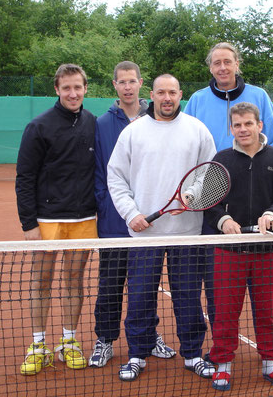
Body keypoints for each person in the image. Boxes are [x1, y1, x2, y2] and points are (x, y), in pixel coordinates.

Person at [184, 41, 273, 371]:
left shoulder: (259, 96)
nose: (222, 67)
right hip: (214, 202)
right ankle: (222, 351)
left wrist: (271, 204)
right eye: (216, 63)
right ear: (210, 67)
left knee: (265, 293)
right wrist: (201, 197)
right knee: (220, 284)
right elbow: (184, 139)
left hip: (258, 204)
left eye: (227, 62)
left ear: (237, 64)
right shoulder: (198, 100)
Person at [107, 74, 216, 382]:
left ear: (180, 94)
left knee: (189, 297)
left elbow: (209, 175)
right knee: (140, 297)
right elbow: (115, 177)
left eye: (172, 92)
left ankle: (193, 353)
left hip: (188, 233)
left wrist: (194, 198)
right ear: (151, 95)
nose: (167, 97)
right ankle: (137, 355)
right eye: (161, 92)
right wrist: (131, 214)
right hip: (144, 234)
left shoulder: (197, 130)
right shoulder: (133, 132)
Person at [205, 102, 273, 391]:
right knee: (225, 310)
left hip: (268, 250)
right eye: (237, 125)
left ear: (260, 125)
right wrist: (224, 221)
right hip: (229, 250)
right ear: (231, 128)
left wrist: (272, 214)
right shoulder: (221, 160)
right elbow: (210, 203)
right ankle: (222, 364)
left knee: (267, 309)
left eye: (248, 123)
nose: (243, 129)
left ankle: (271, 361)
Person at [89, 61, 175, 368]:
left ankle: (148, 336)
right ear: (114, 85)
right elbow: (102, 173)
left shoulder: (159, 119)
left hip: (148, 223)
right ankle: (105, 339)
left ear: (141, 84)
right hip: (114, 220)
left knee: (145, 284)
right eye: (121, 82)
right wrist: (111, 208)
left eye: (132, 81)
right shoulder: (101, 124)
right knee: (110, 283)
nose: (127, 87)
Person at [15, 63, 97, 375]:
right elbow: (24, 178)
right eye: (67, 88)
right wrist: (29, 225)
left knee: (74, 281)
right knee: (41, 282)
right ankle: (38, 345)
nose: (73, 93)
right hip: (47, 220)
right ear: (57, 90)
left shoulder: (92, 123)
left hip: (84, 218)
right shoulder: (39, 127)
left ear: (85, 88)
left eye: (78, 87)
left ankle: (69, 342)